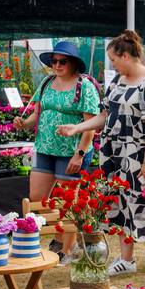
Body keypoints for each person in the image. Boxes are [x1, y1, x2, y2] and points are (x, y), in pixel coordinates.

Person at [57, 30, 145, 274]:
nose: (112, 64)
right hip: (115, 154)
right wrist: (77, 128)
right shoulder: (117, 81)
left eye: (113, 59)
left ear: (125, 56)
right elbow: (104, 115)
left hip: (141, 155)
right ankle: (127, 260)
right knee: (120, 204)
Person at [15, 39, 99, 254]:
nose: (57, 65)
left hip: (71, 151)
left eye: (63, 61)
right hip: (44, 148)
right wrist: (24, 124)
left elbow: (90, 126)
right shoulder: (45, 83)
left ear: (73, 63)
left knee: (68, 201)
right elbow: (37, 115)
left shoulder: (84, 87)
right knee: (37, 199)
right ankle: (68, 233)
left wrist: (79, 154)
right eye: (54, 61)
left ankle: (66, 249)